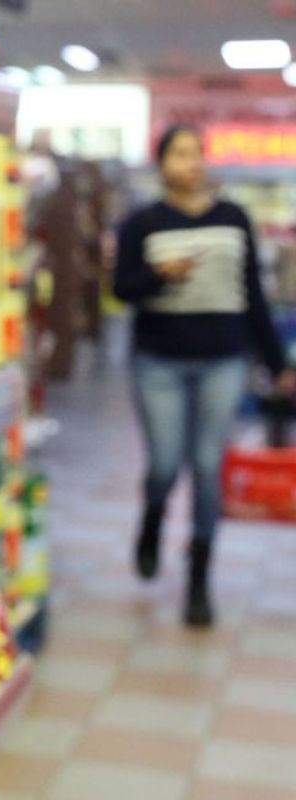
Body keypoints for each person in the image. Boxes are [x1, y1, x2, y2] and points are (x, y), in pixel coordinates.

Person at [114, 125, 296, 627]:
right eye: (180, 154)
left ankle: (199, 578)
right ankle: (152, 519)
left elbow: (252, 297)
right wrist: (158, 275)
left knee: (208, 466)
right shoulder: (142, 223)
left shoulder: (234, 218)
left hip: (224, 358)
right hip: (158, 361)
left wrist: (277, 364)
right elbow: (121, 289)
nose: (192, 163)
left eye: (198, 154)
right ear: (162, 164)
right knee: (166, 464)